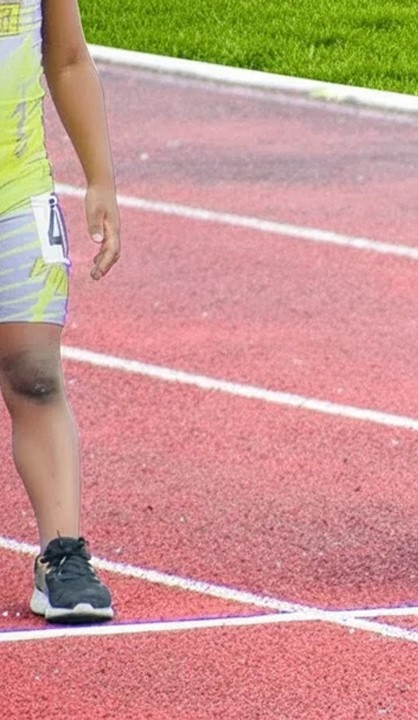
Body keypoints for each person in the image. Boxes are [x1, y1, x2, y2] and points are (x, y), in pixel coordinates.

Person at [1, 0, 121, 622]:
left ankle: (61, 558)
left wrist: (100, 179)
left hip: (17, 192)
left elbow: (68, 58)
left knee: (35, 375)